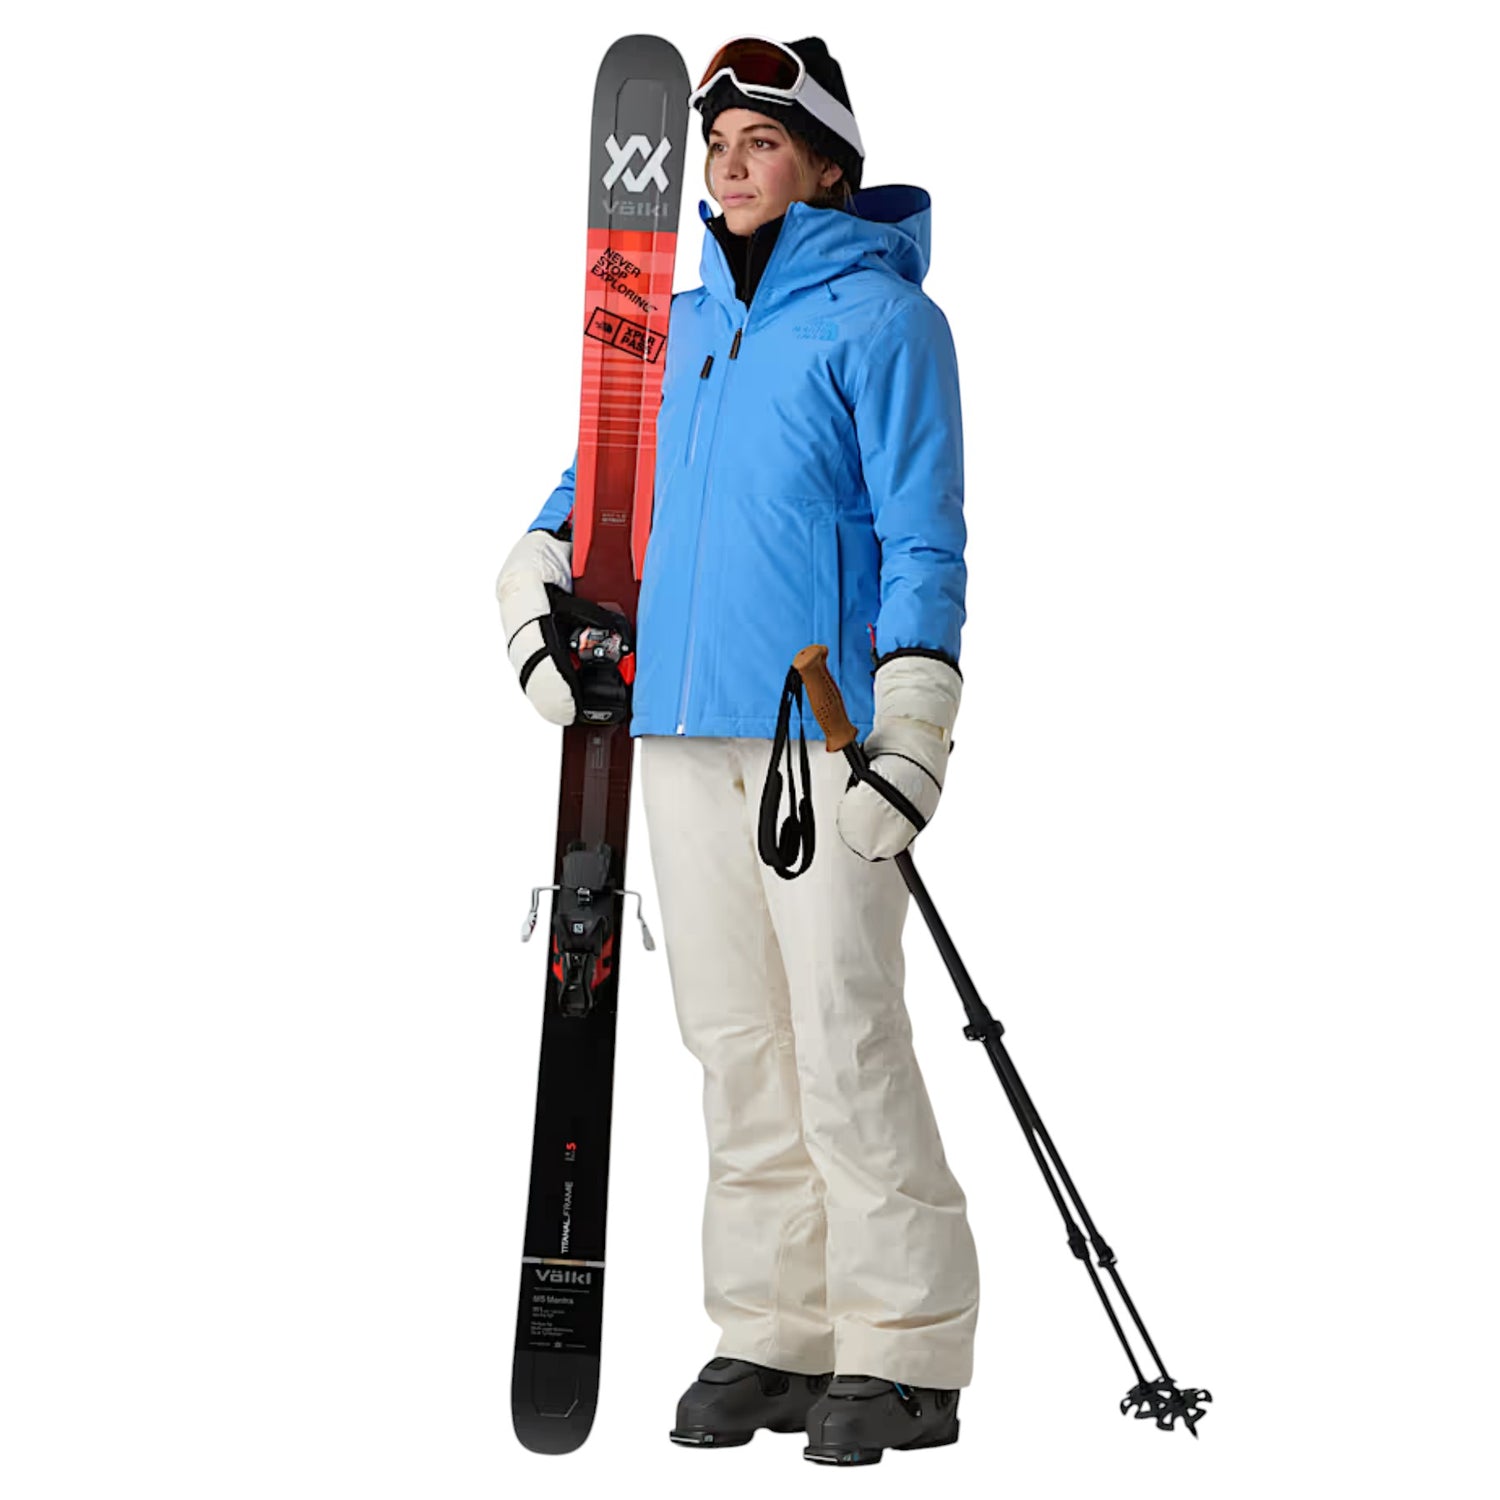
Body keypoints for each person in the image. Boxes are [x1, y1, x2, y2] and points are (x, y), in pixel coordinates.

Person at [496, 36, 979, 1465]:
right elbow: (597, 490)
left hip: (815, 734)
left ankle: (902, 1348)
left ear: (826, 166)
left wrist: (916, 719)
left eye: (761, 142)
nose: (728, 166)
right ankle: (776, 1330)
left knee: (843, 1028)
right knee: (733, 1039)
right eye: (717, 147)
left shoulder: (887, 323)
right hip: (675, 725)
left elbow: (924, 534)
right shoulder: (680, 322)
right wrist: (532, 571)